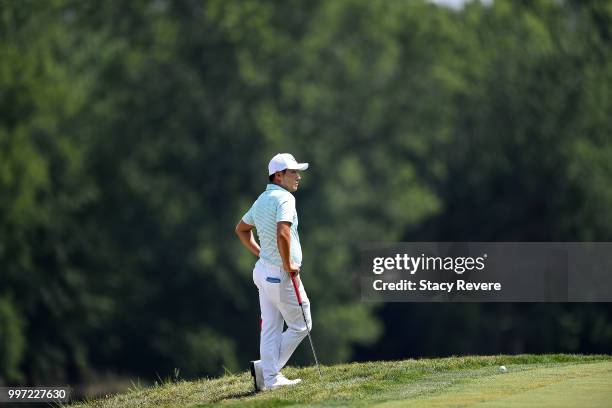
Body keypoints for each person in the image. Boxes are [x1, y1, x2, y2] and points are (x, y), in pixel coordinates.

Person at [235, 153, 312, 391]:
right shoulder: (285, 199)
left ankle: (268, 378)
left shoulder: (262, 199)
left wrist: (260, 253)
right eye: (293, 172)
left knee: (270, 328)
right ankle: (266, 372)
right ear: (278, 176)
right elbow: (283, 233)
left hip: (262, 272)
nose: (298, 177)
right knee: (302, 324)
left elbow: (241, 229)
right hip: (280, 274)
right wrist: (288, 264)